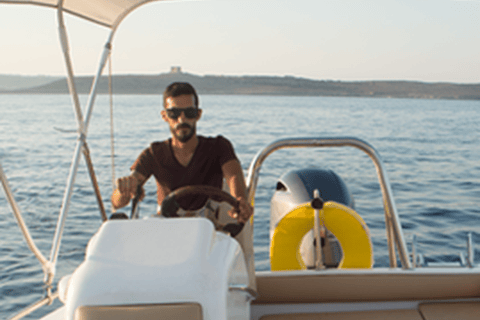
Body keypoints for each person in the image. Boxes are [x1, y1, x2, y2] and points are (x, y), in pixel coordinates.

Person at [111, 81, 253, 225]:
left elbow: (233, 175)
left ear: (198, 114)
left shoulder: (219, 147)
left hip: (210, 233)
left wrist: (240, 201)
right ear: (165, 116)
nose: (182, 119)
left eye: (189, 113)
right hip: (168, 232)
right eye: (174, 113)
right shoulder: (154, 154)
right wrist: (124, 190)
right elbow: (117, 202)